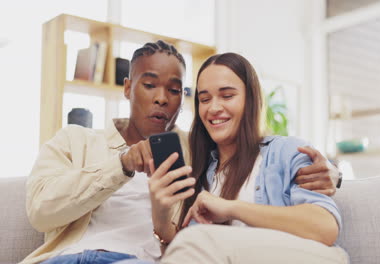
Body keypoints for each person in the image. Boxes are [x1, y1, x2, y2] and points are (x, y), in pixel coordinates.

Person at [22, 41, 340, 264]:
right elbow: (40, 211)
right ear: (127, 87)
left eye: (174, 90)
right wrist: (122, 165)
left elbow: (257, 154)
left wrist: (333, 175)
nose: (162, 98)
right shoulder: (75, 140)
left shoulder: (197, 153)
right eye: (150, 85)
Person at [142, 52, 348, 264]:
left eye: (227, 96)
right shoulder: (203, 173)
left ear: (251, 99)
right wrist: (160, 215)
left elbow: (325, 228)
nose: (213, 108)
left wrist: (230, 208)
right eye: (204, 99)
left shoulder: (286, 150)